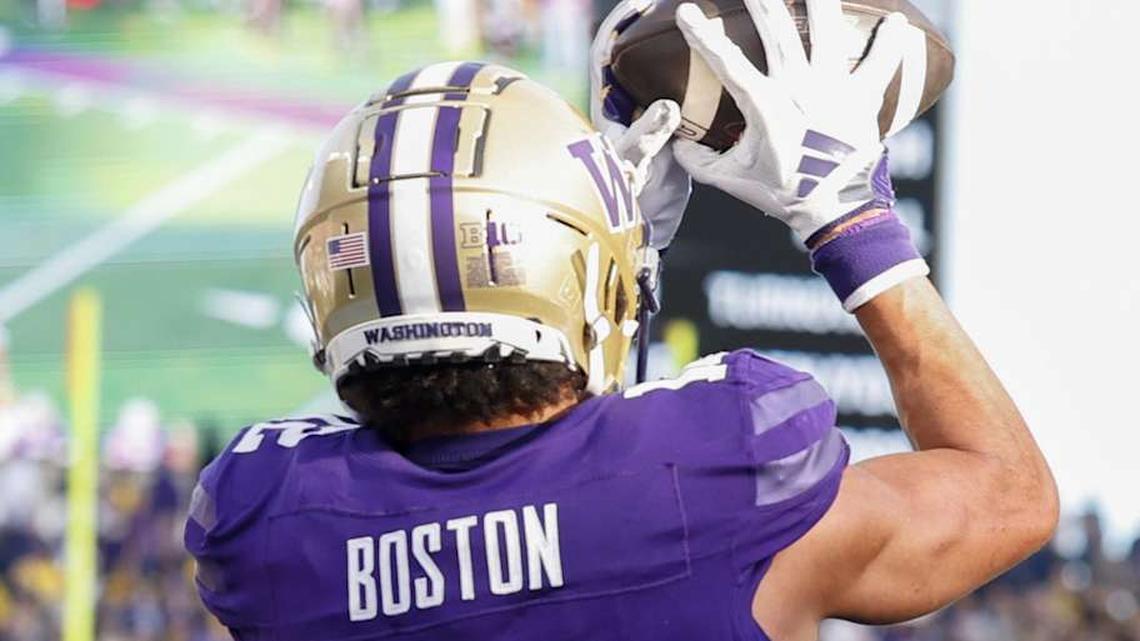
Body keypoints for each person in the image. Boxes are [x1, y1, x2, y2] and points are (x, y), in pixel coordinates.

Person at [184, 0, 1058, 638]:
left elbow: (524, 506)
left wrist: (616, 263)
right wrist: (853, 227)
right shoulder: (726, 472)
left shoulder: (269, 530)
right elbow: (1009, 493)